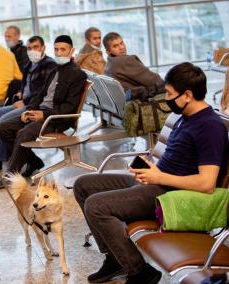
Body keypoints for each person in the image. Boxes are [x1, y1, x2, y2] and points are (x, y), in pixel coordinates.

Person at [73, 62, 228, 284]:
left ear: (187, 95)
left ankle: (140, 272)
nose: (166, 97)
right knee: (83, 185)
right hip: (157, 179)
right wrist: (148, 166)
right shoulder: (185, 117)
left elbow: (207, 183)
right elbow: (177, 159)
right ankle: (116, 258)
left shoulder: (210, 127)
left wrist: (158, 177)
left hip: (169, 193)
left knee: (96, 206)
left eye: (169, 93)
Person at [0, 35, 87, 189]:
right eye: (56, 49)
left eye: (63, 50)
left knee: (25, 132)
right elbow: (40, 94)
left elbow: (69, 107)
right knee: (3, 127)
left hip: (57, 118)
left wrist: (44, 115)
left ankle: (11, 175)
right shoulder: (55, 69)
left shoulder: (77, 74)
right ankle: (34, 162)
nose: (59, 53)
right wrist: (30, 110)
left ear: (72, 51)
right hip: (41, 111)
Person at [0, 35, 57, 187]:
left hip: (33, 106)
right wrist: (20, 94)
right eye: (29, 48)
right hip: (24, 102)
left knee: (4, 120)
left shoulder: (50, 65)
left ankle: (4, 161)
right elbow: (25, 84)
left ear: (43, 47)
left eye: (36, 47)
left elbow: (44, 93)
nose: (32, 51)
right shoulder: (29, 64)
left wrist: (25, 102)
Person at [103, 32, 165, 100]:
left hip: (125, 99)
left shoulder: (109, 63)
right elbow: (154, 80)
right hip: (140, 98)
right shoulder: (126, 60)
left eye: (121, 43)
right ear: (108, 51)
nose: (121, 47)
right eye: (115, 46)